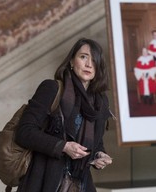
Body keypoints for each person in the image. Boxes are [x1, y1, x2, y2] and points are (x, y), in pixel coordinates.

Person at [15, 38, 113, 192]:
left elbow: (96, 142)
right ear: (72, 62)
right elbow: (24, 132)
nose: (89, 64)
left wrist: (100, 155)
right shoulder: (52, 89)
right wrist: (64, 146)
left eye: (94, 60)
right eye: (83, 57)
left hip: (80, 183)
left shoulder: (100, 102)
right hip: (44, 180)